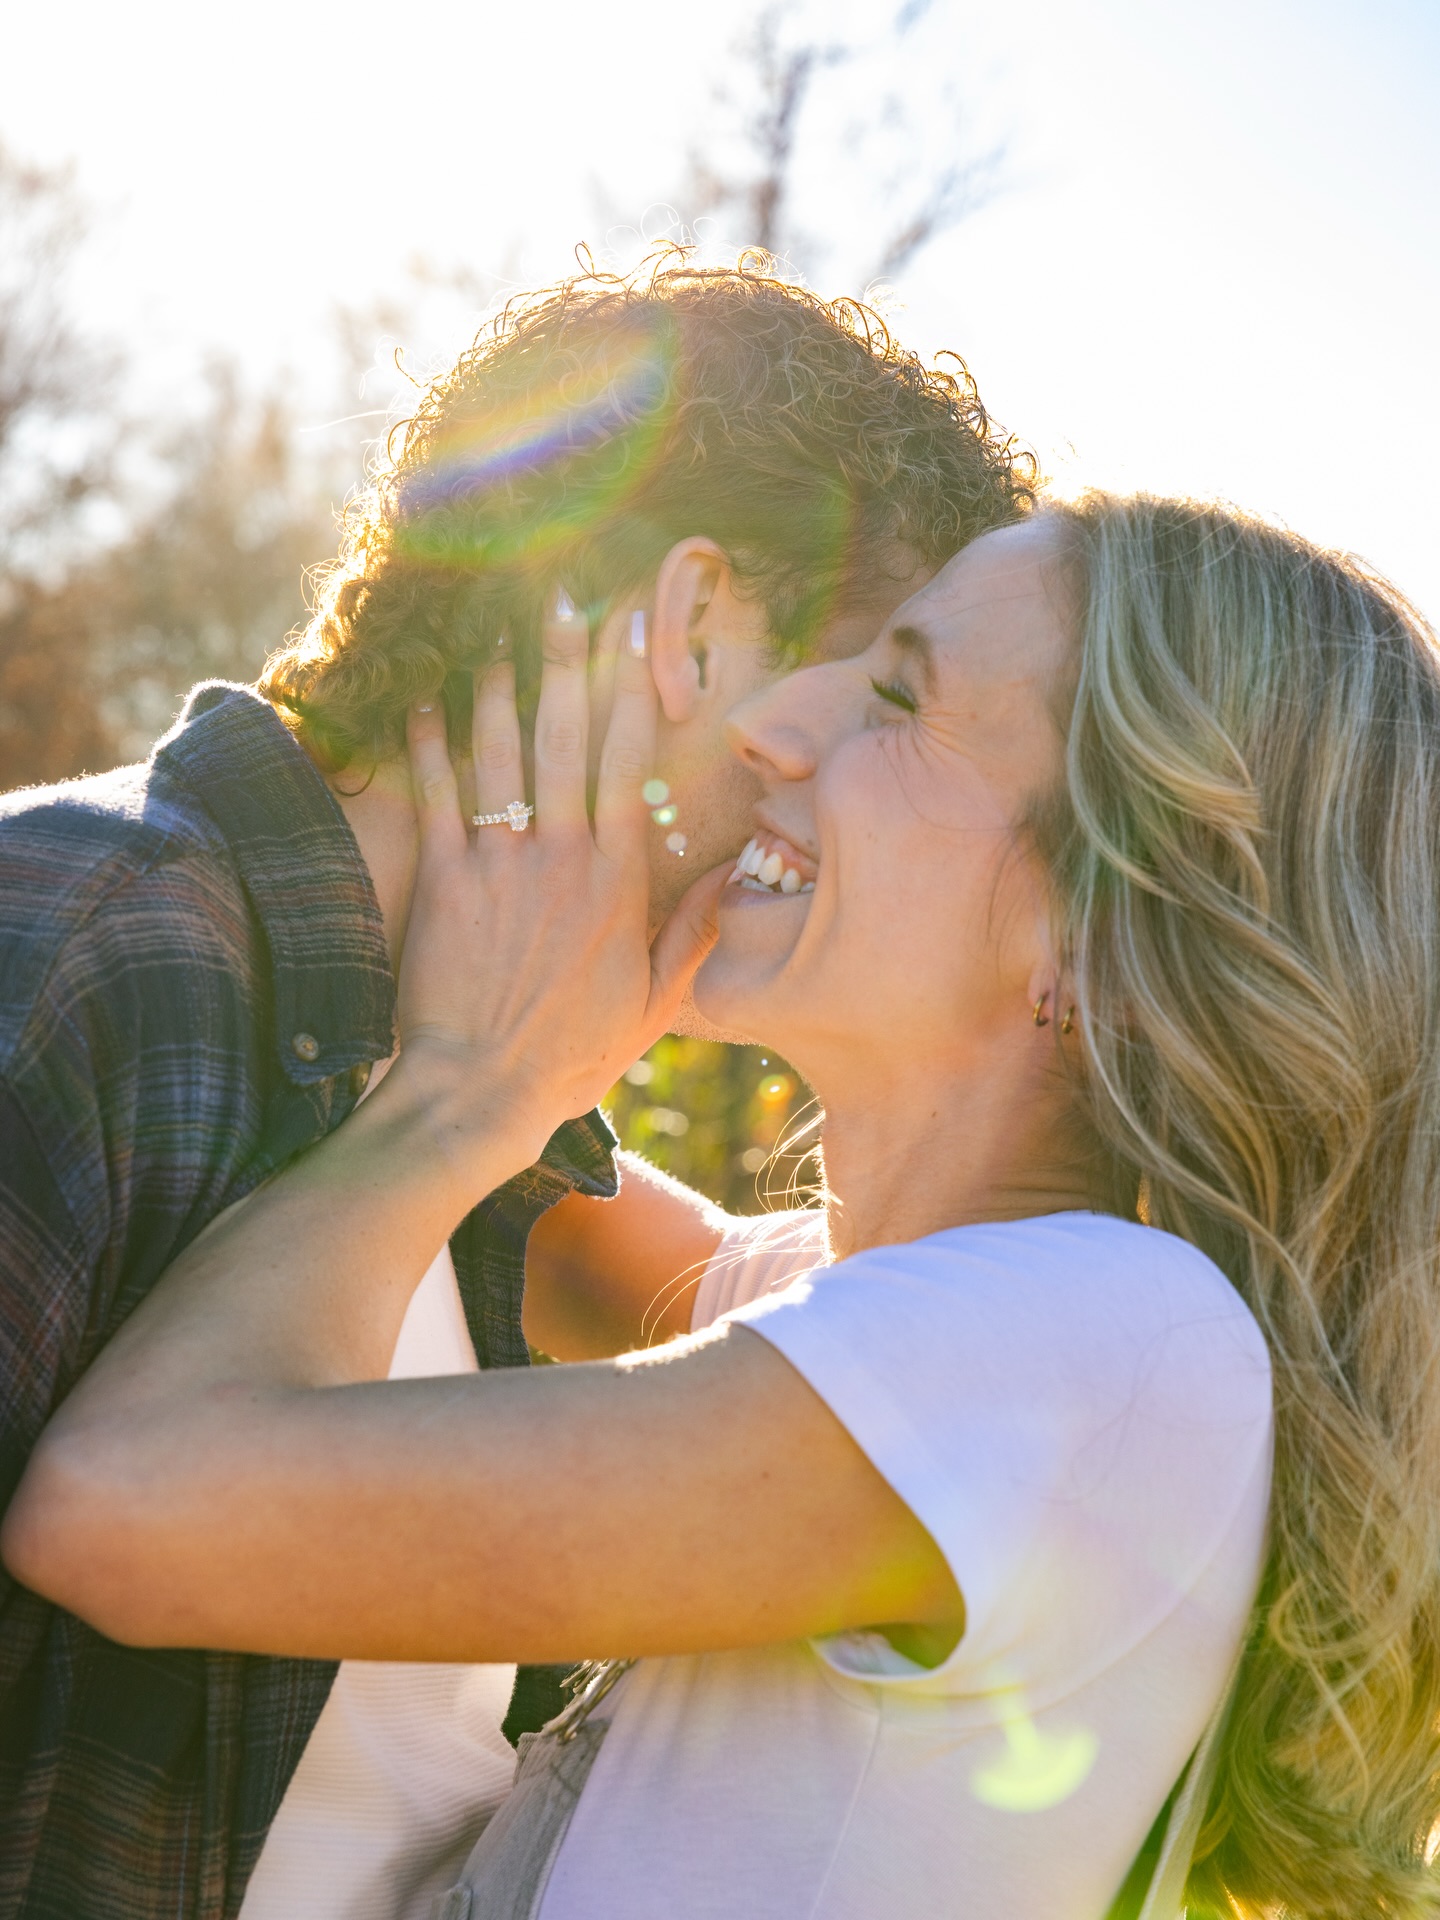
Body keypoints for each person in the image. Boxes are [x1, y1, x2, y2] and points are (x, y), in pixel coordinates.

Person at [15, 493, 1440, 1919]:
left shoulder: (1102, 1349)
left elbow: (124, 1508)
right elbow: (512, 1230)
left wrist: (467, 1087)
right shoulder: (883, 1324)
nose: (775, 729)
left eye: (895, 697)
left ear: (1101, 931)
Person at [0, 251, 1031, 1920]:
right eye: (882, 696)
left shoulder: (506, 1101)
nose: (844, 792)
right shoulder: (80, 952)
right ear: (692, 628)